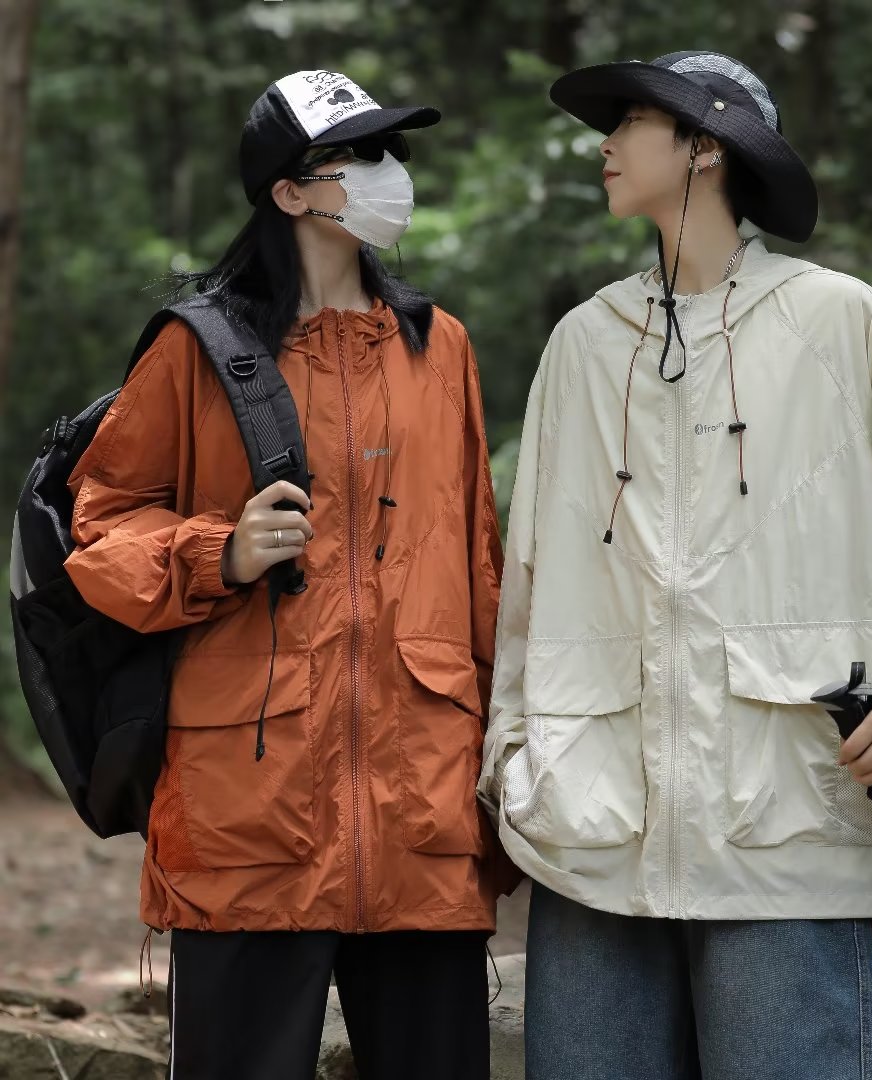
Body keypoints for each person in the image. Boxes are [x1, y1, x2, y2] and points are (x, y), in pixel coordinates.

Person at [478, 51, 872, 1080]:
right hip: (592, 834)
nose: (605, 144)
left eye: (631, 122)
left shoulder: (841, 322)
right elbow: (531, 587)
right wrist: (513, 763)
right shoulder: (583, 344)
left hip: (787, 831)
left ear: (706, 146)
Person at [64, 70, 514, 1080]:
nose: (388, 173)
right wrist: (214, 552)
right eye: (359, 155)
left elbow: (476, 564)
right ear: (289, 190)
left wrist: (503, 759)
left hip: (423, 807)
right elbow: (100, 529)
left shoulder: (439, 346)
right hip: (246, 813)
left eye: (391, 151)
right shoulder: (199, 349)